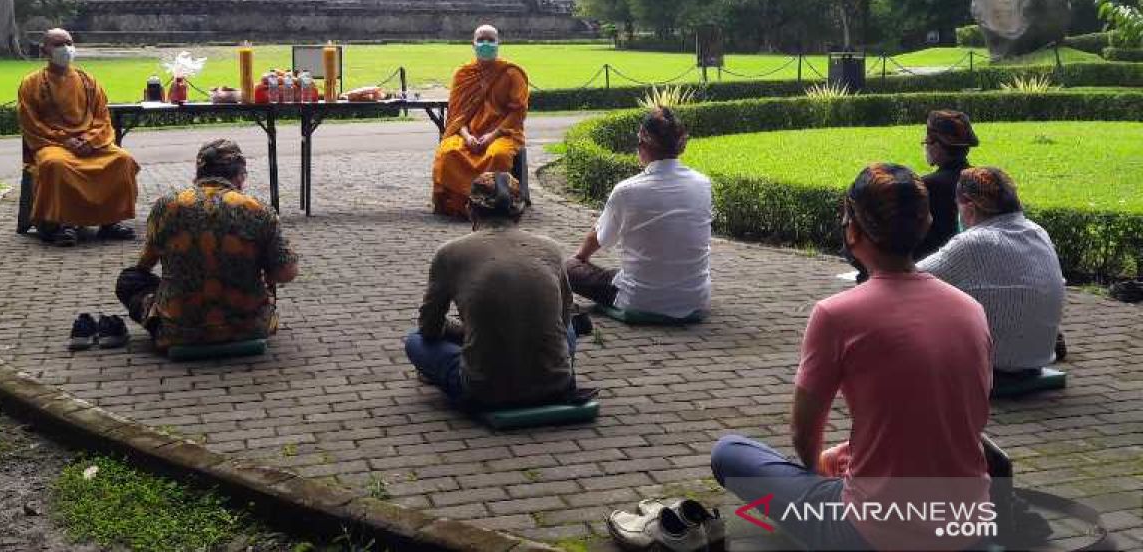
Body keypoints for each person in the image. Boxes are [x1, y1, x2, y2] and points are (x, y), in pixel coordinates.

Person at [711, 164, 993, 551]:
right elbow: (952, 416)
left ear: (854, 229)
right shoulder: (970, 309)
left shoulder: (836, 315)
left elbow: (803, 433)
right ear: (925, 224)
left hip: (872, 533)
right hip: (968, 527)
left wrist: (816, 477)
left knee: (729, 453)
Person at [406, 172, 578, 408]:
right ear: (520, 212)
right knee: (567, 329)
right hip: (555, 383)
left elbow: (429, 328)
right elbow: (563, 317)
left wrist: (463, 330)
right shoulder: (550, 248)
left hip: (484, 390)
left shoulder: (449, 253)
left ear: (470, 210)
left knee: (415, 341)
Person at [115, 139, 298, 353]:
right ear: (240, 175)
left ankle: (170, 322)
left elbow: (144, 266)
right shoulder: (259, 210)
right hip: (248, 327)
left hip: (179, 329)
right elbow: (287, 272)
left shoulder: (167, 207)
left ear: (198, 173)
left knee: (130, 279)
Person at [566, 107, 712, 319]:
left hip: (639, 299)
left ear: (643, 144)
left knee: (569, 268)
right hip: (695, 298)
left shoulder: (627, 190)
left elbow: (599, 238)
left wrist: (579, 259)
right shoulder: (702, 184)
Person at [918, 166, 1065, 373]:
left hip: (991, 364)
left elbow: (906, 280)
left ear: (969, 208)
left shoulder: (974, 242)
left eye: (957, 207)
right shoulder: (1037, 231)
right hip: (1037, 357)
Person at [17, 28, 139, 246]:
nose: (65, 48)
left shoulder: (88, 80)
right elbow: (31, 123)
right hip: (53, 143)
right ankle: (61, 224)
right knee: (55, 164)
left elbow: (103, 118)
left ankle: (109, 221)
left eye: (69, 42)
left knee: (123, 160)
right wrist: (65, 140)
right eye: (58, 44)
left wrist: (90, 140)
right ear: (45, 50)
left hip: (91, 144)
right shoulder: (31, 83)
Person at [431, 24, 528, 217]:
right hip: (467, 132)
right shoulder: (463, 74)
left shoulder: (511, 73)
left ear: (499, 43)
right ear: (473, 44)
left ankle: (493, 203)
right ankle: (458, 203)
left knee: (497, 155)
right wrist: (467, 137)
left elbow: (517, 113)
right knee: (448, 152)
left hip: (502, 132)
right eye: (481, 40)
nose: (486, 44)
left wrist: (493, 135)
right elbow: (457, 115)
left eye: (490, 40)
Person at [916, 109, 979, 258]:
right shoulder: (982, 179)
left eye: (928, 142)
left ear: (937, 147)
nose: (926, 147)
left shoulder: (927, 185)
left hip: (933, 265)